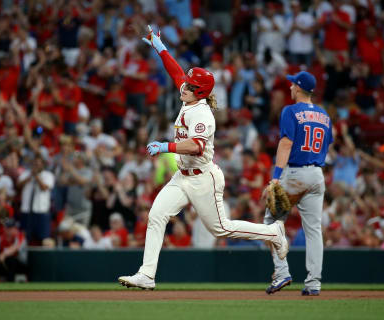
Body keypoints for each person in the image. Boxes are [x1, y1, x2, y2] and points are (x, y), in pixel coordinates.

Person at [118, 27, 288, 290]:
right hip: (182, 176)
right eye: (187, 83)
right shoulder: (190, 96)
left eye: (190, 86)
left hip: (203, 178)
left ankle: (273, 232)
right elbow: (176, 71)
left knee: (221, 229)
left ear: (200, 92)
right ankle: (147, 275)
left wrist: (166, 146)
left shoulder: (202, 114)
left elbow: (196, 147)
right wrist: (159, 47)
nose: (184, 87)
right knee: (156, 215)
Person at [263, 71, 333, 296]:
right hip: (316, 174)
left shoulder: (290, 111)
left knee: (271, 221)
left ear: (299, 87)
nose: (290, 87)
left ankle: (282, 272)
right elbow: (325, 145)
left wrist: (276, 177)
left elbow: (285, 144)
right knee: (314, 231)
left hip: (294, 172)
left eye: (293, 84)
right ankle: (313, 283)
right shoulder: (324, 115)